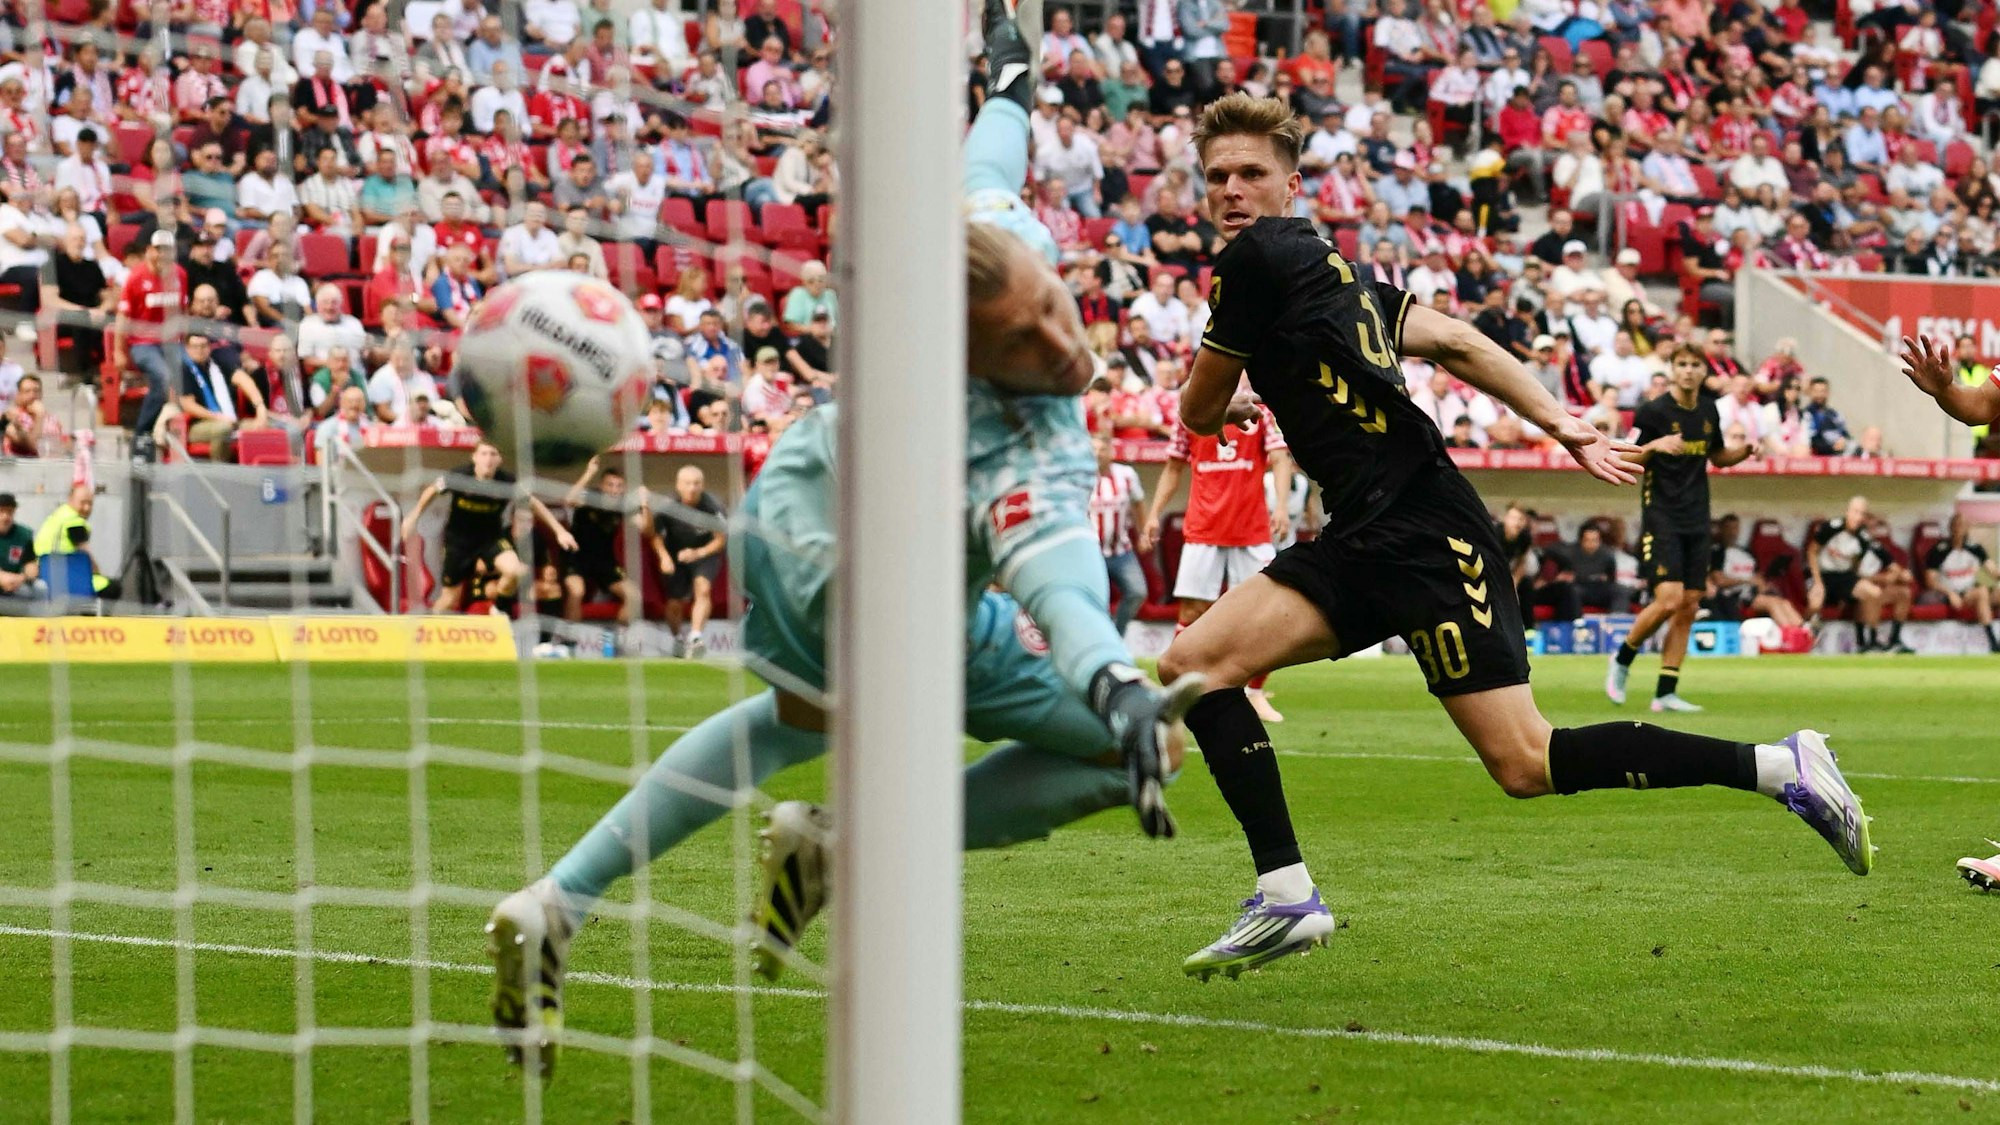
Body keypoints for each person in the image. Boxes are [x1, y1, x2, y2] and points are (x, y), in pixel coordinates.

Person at [484, 1, 1201, 1072]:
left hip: (791, 511)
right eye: (1022, 340)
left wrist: (1007, 81)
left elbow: (988, 159)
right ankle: (843, 850)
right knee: (1142, 747)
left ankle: (559, 898)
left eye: (1053, 305)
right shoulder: (1014, 446)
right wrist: (1112, 684)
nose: (1061, 343)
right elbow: (1056, 579)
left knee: (796, 718)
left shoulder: (984, 240)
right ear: (960, 355)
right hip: (873, 575)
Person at [1158, 94, 1873, 980]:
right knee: (1193, 663)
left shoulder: (1255, 260)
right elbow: (1458, 340)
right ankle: (1285, 893)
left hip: (1421, 527)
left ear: (1292, 183)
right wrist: (1564, 423)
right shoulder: (1338, 275)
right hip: (1367, 531)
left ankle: (1780, 765)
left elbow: (1196, 407)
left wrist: (1222, 397)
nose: (1232, 189)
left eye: (1250, 173)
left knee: (1525, 760)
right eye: (1218, 175)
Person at [1604, 346, 1755, 710]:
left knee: (1688, 604)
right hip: (1662, 516)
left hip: (1698, 518)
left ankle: (1665, 691)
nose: (1688, 371)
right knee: (1668, 600)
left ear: (1704, 371)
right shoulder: (1652, 411)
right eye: (1682, 365)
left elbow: (1716, 455)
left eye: (1695, 365)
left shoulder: (1707, 409)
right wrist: (1655, 445)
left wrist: (1745, 451)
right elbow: (1626, 455)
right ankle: (1622, 659)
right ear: (1672, 370)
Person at [1141, 394, 1292, 724]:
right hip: (1204, 527)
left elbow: (1280, 459)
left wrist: (1281, 506)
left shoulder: (1260, 414)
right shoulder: (1190, 415)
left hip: (1251, 529)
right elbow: (1172, 467)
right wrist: (1154, 513)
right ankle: (1176, 692)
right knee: (1192, 612)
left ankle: (1253, 693)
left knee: (1264, 614)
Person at [400, 440, 577, 616]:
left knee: (517, 571)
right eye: (484, 454)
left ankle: (499, 608)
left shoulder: (506, 482)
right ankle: (424, 632)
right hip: (459, 543)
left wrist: (560, 531)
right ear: (475, 457)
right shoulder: (459, 476)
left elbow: (534, 503)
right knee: (449, 599)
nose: (488, 459)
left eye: (493, 454)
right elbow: (431, 491)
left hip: (490, 540)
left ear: (499, 460)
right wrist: (413, 516)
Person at [116, 231, 187, 458]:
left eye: (167, 250)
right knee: (164, 377)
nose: (162, 255)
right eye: (159, 249)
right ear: (149, 250)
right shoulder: (136, 278)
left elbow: (182, 311)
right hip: (143, 343)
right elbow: (123, 317)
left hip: (171, 342)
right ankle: (141, 435)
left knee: (194, 369)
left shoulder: (180, 275)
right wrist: (119, 350)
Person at [1806, 495, 1900, 653]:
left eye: (1862, 513)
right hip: (1822, 574)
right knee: (1815, 601)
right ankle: (1803, 635)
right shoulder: (1832, 527)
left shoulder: (1863, 538)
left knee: (1873, 592)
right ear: (1847, 512)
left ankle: (1869, 640)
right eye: (1855, 512)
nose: (1858, 517)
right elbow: (1811, 551)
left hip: (1844, 576)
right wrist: (1817, 581)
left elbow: (1858, 564)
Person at [651, 464, 727, 657]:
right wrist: (664, 557)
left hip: (704, 553)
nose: (692, 488)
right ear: (678, 485)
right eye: (687, 484)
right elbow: (656, 536)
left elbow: (721, 540)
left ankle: (695, 637)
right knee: (674, 602)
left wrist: (699, 553)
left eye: (696, 484)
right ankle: (677, 638)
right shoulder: (666, 505)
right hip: (675, 555)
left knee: (703, 588)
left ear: (702, 486)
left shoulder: (713, 507)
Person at [559, 456, 643, 629]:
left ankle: (617, 640)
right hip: (577, 556)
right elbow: (569, 500)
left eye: (619, 486)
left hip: (605, 561)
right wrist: (589, 473)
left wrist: (645, 503)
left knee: (635, 597)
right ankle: (568, 642)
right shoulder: (591, 496)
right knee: (577, 591)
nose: (614, 490)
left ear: (624, 489)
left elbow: (646, 528)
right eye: (610, 485)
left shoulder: (625, 504)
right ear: (602, 486)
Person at [1090, 432, 1148, 637]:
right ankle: (1100, 641)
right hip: (1090, 552)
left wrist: (1143, 533)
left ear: (1111, 452)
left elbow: (1139, 503)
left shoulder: (1126, 475)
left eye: (1102, 449)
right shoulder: (1081, 477)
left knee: (1137, 592)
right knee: (1096, 599)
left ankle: (1117, 635)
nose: (1098, 454)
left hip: (1121, 550)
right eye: (1093, 449)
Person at [1706, 514, 1805, 630]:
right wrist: (1747, 580)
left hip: (1753, 593)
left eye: (1735, 528)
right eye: (1728, 528)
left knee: (1784, 603)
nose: (1732, 532)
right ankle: (1790, 635)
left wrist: (1762, 584)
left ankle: (1803, 632)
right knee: (1772, 603)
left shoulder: (1747, 553)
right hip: (1733, 598)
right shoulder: (1717, 552)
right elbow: (1718, 580)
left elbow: (1757, 576)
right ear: (1721, 529)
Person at [1924, 512, 2000, 653]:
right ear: (1950, 528)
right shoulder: (1939, 550)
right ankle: (1993, 643)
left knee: (1990, 592)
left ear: (1967, 528)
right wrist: (1950, 593)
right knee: (1981, 592)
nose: (1959, 528)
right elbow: (1930, 581)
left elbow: (1994, 573)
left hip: (1971, 591)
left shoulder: (1975, 548)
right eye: (1957, 525)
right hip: (1951, 594)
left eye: (1963, 525)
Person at [0, 491, 42, 598]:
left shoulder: (22, 535)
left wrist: (24, 577)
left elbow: (30, 564)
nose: (5, 517)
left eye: (9, 512)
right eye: (1, 511)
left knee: (41, 589)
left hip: (15, 584)